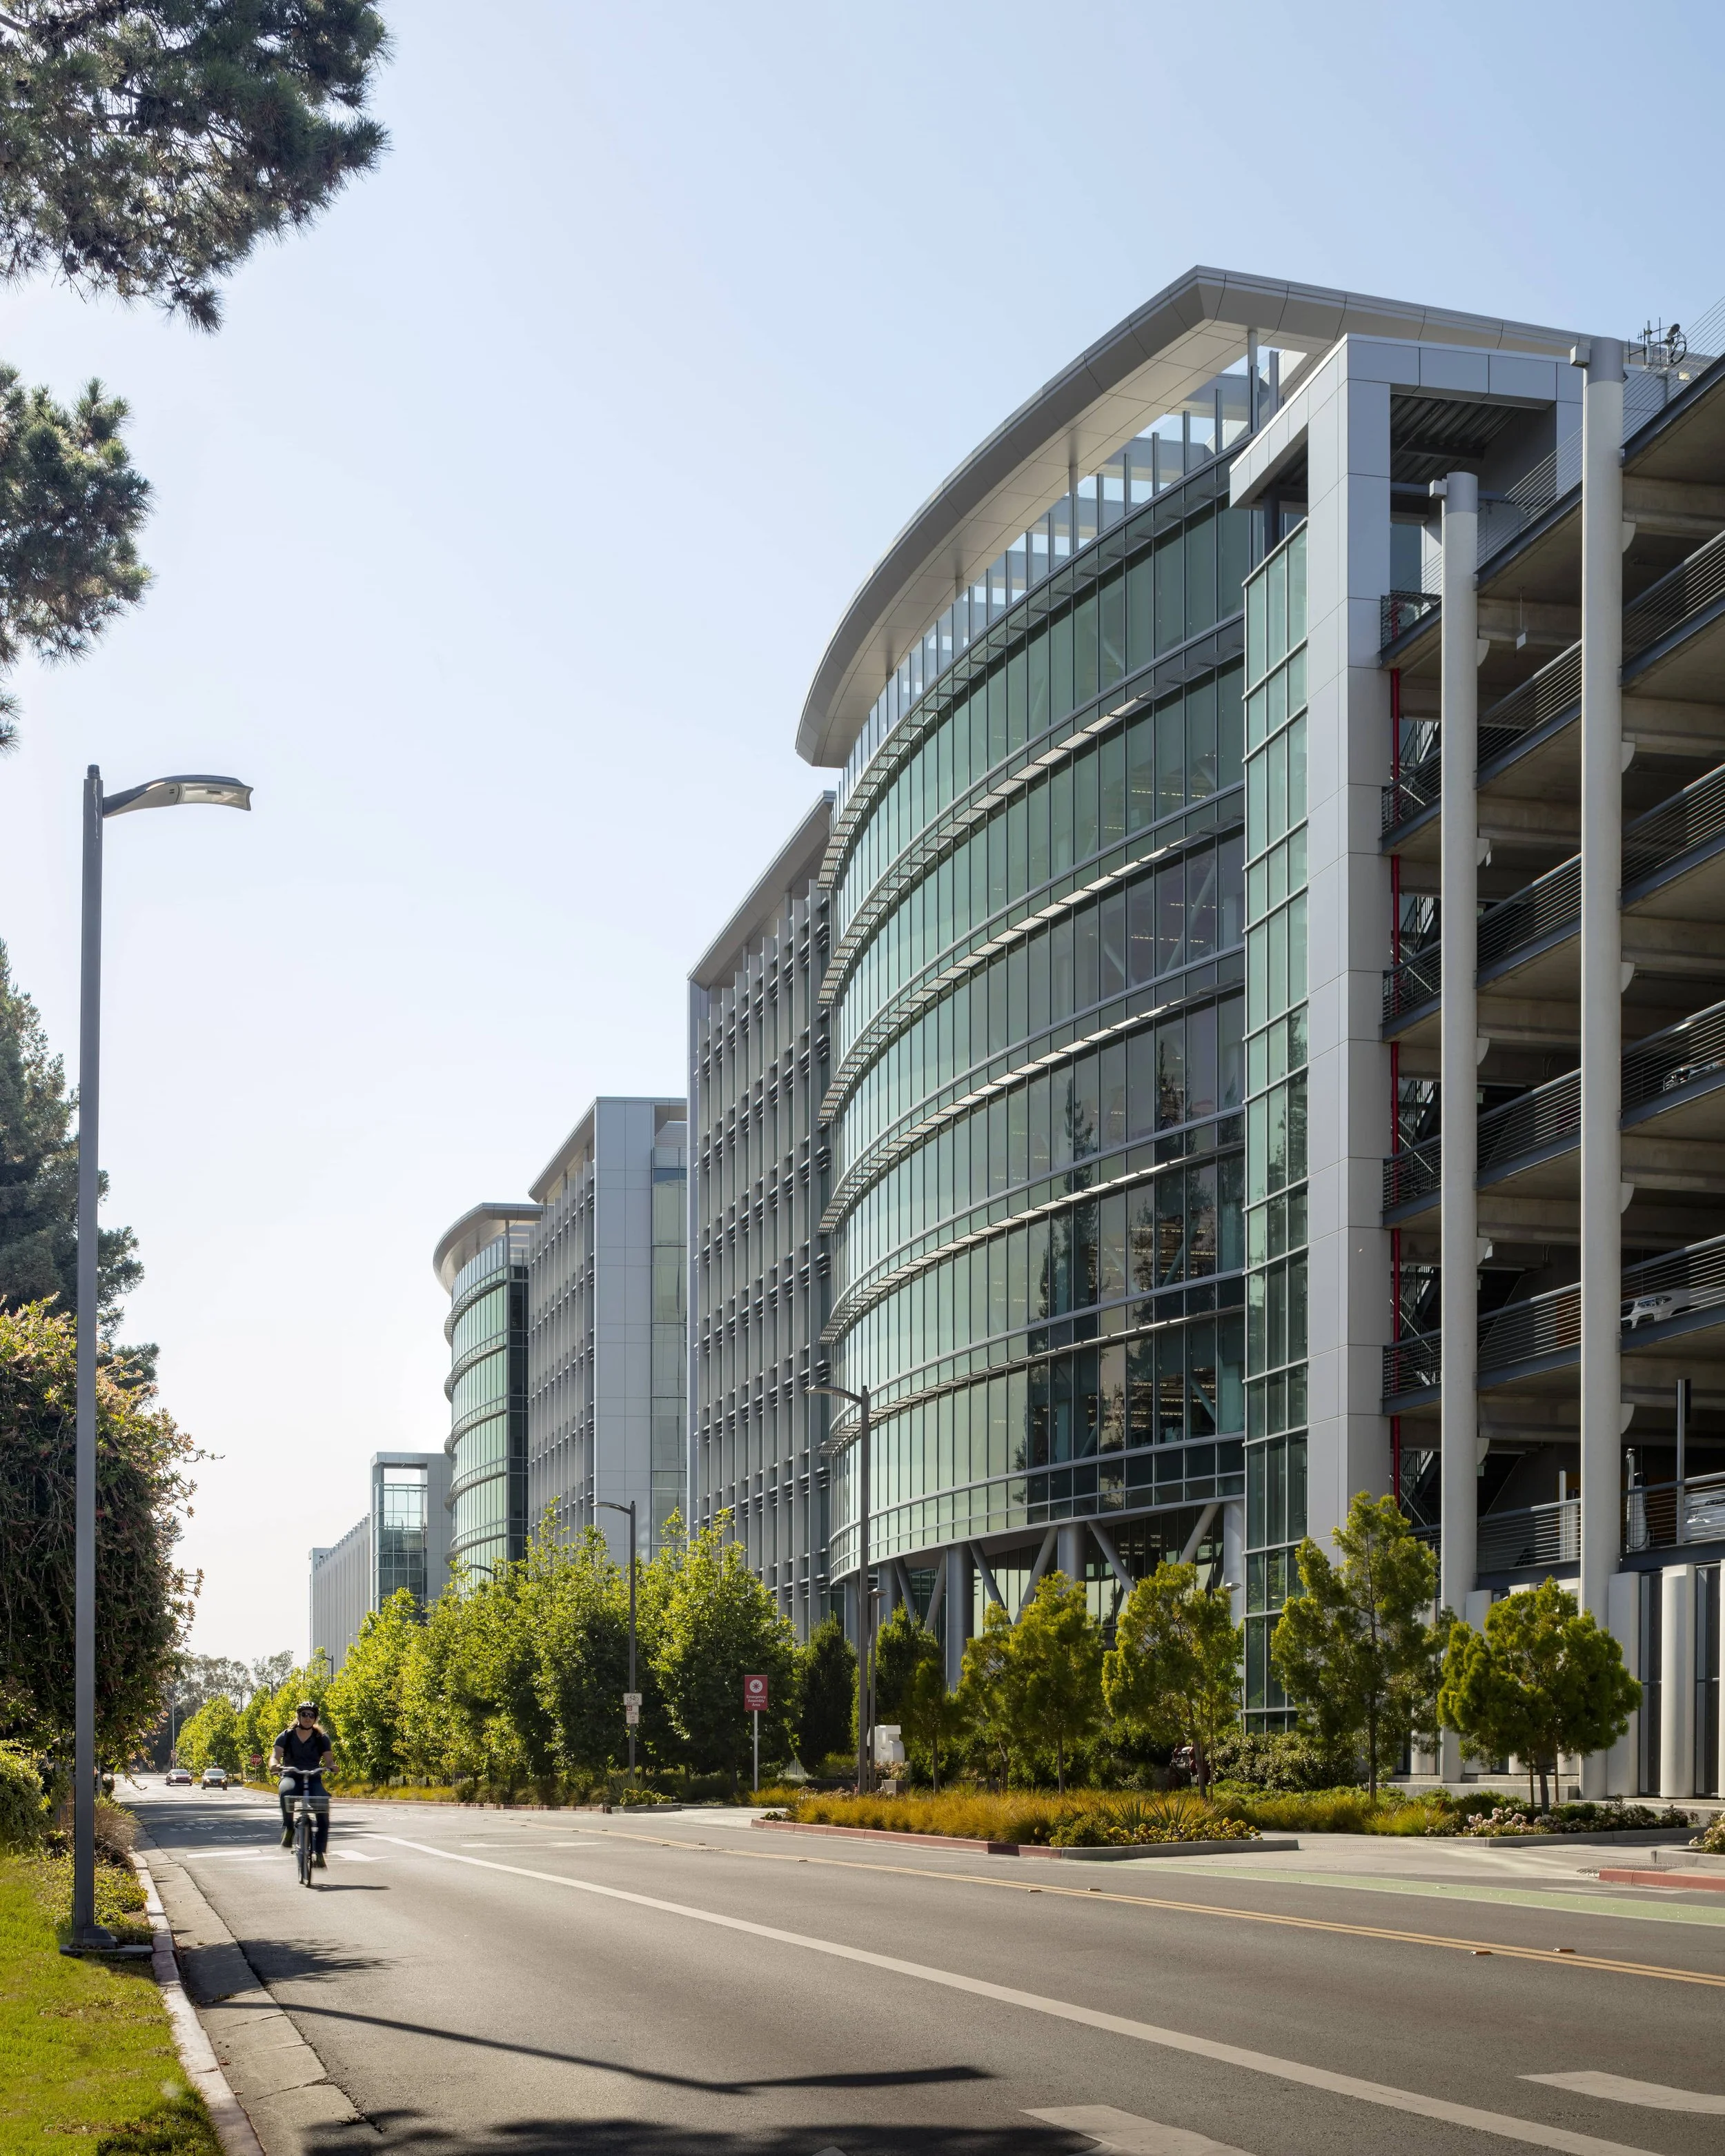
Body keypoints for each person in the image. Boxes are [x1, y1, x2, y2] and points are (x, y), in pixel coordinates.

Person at [271, 1702, 335, 1865]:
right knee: (286, 1792)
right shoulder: (286, 1736)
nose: (308, 1718)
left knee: (323, 1812)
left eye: (311, 1715)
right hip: (291, 1775)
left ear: (315, 1718)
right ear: (298, 1716)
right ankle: (290, 1827)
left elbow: (329, 1759)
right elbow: (275, 1755)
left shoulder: (321, 1738)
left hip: (313, 1777)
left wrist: (332, 1766)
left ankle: (319, 1852)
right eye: (305, 1714)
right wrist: (274, 1764)